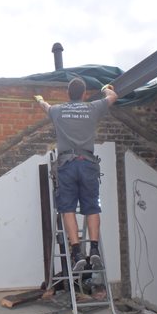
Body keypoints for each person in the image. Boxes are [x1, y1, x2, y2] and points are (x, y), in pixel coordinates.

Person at [35, 78, 118, 271]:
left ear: (67, 94)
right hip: (88, 165)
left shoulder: (57, 110)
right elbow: (113, 96)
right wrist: (106, 89)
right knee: (92, 207)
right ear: (83, 94)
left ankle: (76, 252)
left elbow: (45, 106)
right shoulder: (92, 108)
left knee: (67, 208)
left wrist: (39, 99)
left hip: (67, 165)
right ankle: (94, 249)